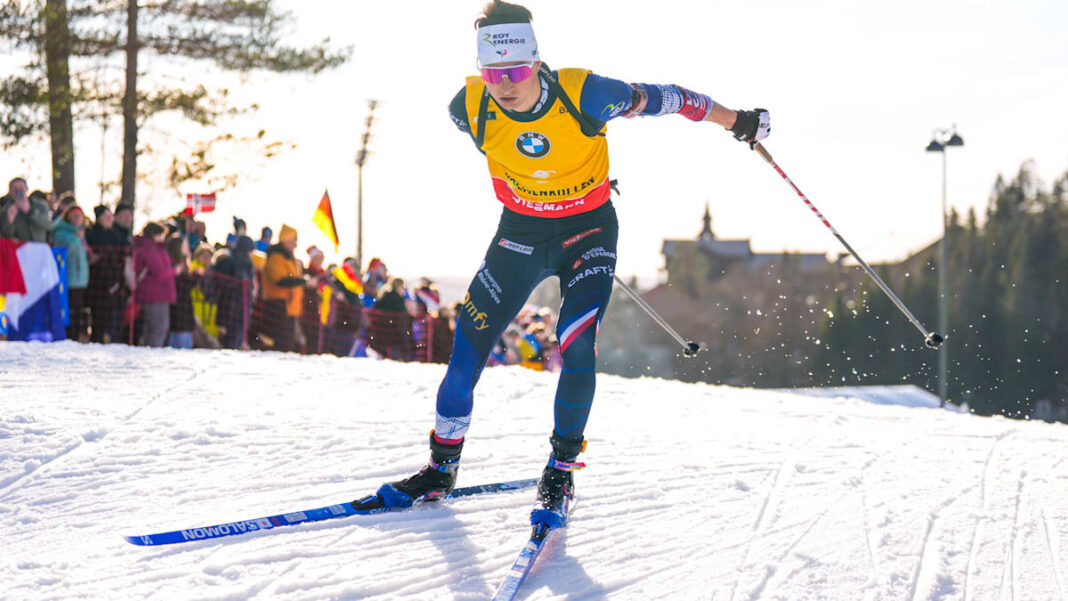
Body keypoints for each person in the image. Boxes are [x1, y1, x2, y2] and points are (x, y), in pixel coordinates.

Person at [357, 1, 771, 528]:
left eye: (515, 71)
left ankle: (560, 470)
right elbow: (529, 158)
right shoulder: (468, 107)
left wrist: (739, 121)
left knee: (576, 344)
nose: (504, 85)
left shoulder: (588, 94)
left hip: (588, 233)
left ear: (535, 62)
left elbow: (673, 100)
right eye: (492, 73)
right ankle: (441, 468)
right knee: (467, 349)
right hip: (521, 233)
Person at [86, 205, 129, 343]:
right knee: (98, 319)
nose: (109, 219)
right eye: (106, 217)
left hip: (115, 283)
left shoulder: (116, 235)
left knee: (112, 320)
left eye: (111, 216)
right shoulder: (92, 234)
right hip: (97, 284)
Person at [262, 224, 305, 352]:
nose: (295, 244)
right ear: (286, 240)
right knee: (281, 344)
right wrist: (302, 281)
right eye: (293, 240)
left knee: (287, 345)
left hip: (289, 307)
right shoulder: (276, 257)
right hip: (279, 305)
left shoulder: (288, 258)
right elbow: (279, 280)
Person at [51, 205, 91, 340]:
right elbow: (64, 252)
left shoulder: (81, 233)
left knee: (78, 311)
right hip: (67, 278)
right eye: (74, 215)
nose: (77, 219)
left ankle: (76, 337)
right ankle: (67, 336)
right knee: (69, 310)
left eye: (79, 216)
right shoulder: (61, 232)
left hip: (81, 279)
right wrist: (76, 238)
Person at [133, 222, 176, 347]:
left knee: (149, 330)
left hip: (152, 294)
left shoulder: (147, 247)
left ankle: (146, 353)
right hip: (156, 295)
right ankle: (152, 356)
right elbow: (160, 272)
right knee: (158, 329)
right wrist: (174, 270)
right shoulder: (151, 249)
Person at [165, 235, 196, 349]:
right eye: (185, 245)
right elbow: (181, 287)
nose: (187, 247)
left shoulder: (184, 265)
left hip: (183, 310)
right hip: (178, 310)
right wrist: (196, 277)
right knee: (180, 343)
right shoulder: (174, 265)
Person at [1, 178, 51, 242]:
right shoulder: (5, 210)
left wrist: (30, 212)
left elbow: (48, 225)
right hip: (19, 248)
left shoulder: (40, 206)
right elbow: (5, 235)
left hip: (38, 247)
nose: (18, 191)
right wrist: (10, 220)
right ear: (10, 192)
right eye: (15, 189)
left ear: (26, 189)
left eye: (21, 188)